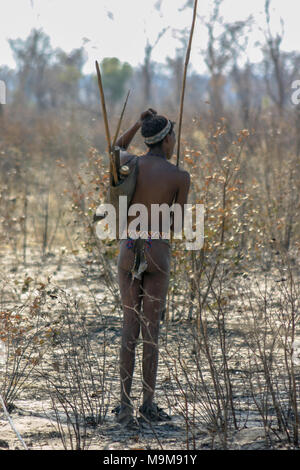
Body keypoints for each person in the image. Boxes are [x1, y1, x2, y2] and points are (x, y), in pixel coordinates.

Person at [113, 108, 190, 426]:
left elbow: (115, 147)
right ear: (169, 139)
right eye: (172, 137)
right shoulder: (179, 177)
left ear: (148, 138)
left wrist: (136, 122)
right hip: (158, 251)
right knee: (151, 331)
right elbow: (179, 222)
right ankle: (148, 405)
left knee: (129, 329)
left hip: (129, 250)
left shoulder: (129, 163)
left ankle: (123, 407)